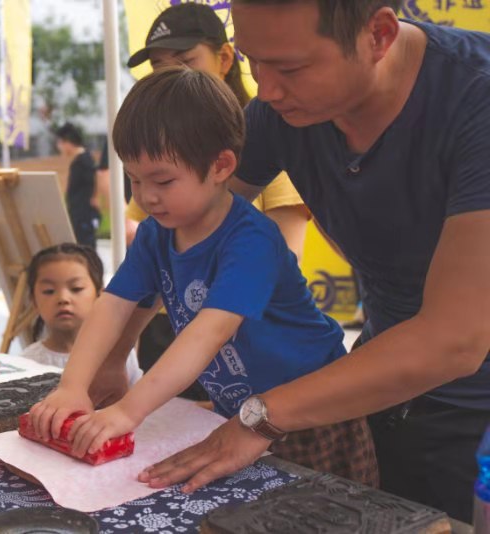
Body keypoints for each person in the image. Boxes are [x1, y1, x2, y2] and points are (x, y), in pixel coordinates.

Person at [135, 1, 490, 523]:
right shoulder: (283, 111)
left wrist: (260, 417)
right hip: (382, 382)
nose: (268, 90)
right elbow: (177, 225)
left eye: (291, 68)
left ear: (379, 34)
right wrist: (106, 358)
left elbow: (454, 338)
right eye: (256, 63)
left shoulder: (474, 101)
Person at [30, 67, 378, 486]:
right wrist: (74, 385)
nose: (146, 196)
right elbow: (112, 304)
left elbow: (206, 334)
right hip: (242, 414)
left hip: (311, 416)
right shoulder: (157, 234)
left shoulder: (250, 240)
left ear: (221, 166)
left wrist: (127, 411)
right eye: (134, 179)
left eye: (162, 179)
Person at [124, 3, 312, 402]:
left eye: (186, 61)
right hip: (169, 323)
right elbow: (142, 243)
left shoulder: (265, 143)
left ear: (226, 57)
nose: (173, 76)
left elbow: (285, 251)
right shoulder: (158, 158)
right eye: (159, 66)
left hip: (248, 342)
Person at [21, 243, 142, 386]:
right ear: (33, 301)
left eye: (76, 288)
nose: (63, 298)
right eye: (49, 291)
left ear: (100, 295)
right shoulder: (25, 363)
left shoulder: (118, 355)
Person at [56, 123, 100, 249]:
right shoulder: (79, 161)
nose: (59, 148)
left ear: (68, 142)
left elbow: (95, 180)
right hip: (77, 214)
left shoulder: (84, 161)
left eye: (60, 143)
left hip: (84, 215)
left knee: (86, 249)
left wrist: (95, 199)